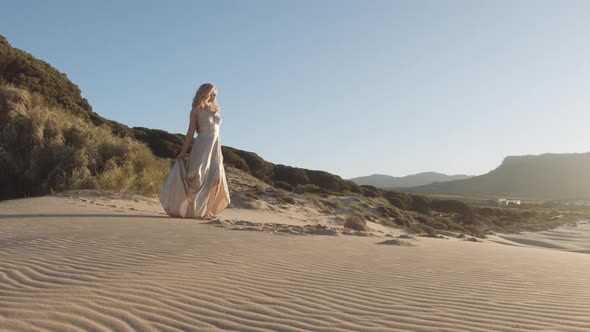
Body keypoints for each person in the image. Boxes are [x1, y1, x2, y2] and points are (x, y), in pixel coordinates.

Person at [159, 83, 230, 219]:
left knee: (216, 178)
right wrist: (183, 151)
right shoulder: (196, 110)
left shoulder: (217, 108)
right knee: (197, 176)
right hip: (202, 144)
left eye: (215, 93)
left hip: (215, 146)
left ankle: (205, 211)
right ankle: (190, 210)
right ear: (204, 92)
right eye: (211, 92)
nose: (214, 95)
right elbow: (191, 132)